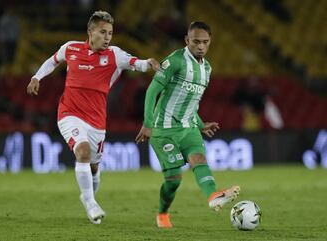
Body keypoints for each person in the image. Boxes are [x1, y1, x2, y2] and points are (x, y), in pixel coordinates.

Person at [27, 10, 159, 225]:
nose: (107, 37)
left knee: (94, 167)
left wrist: (150, 62)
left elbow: (137, 63)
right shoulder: (71, 48)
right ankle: (90, 203)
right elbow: (52, 61)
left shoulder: (115, 55)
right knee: (83, 152)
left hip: (97, 121)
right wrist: (36, 77)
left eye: (110, 33)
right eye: (103, 32)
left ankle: (89, 195)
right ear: (90, 32)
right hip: (69, 113)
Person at [135, 21, 240, 228]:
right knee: (174, 179)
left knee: (199, 160)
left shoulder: (207, 69)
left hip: (189, 128)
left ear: (210, 42)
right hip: (163, 129)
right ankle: (162, 213)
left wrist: (200, 124)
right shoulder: (175, 61)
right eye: (196, 42)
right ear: (187, 40)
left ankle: (213, 197)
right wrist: (147, 124)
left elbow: (192, 102)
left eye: (205, 42)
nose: (200, 46)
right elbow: (152, 91)